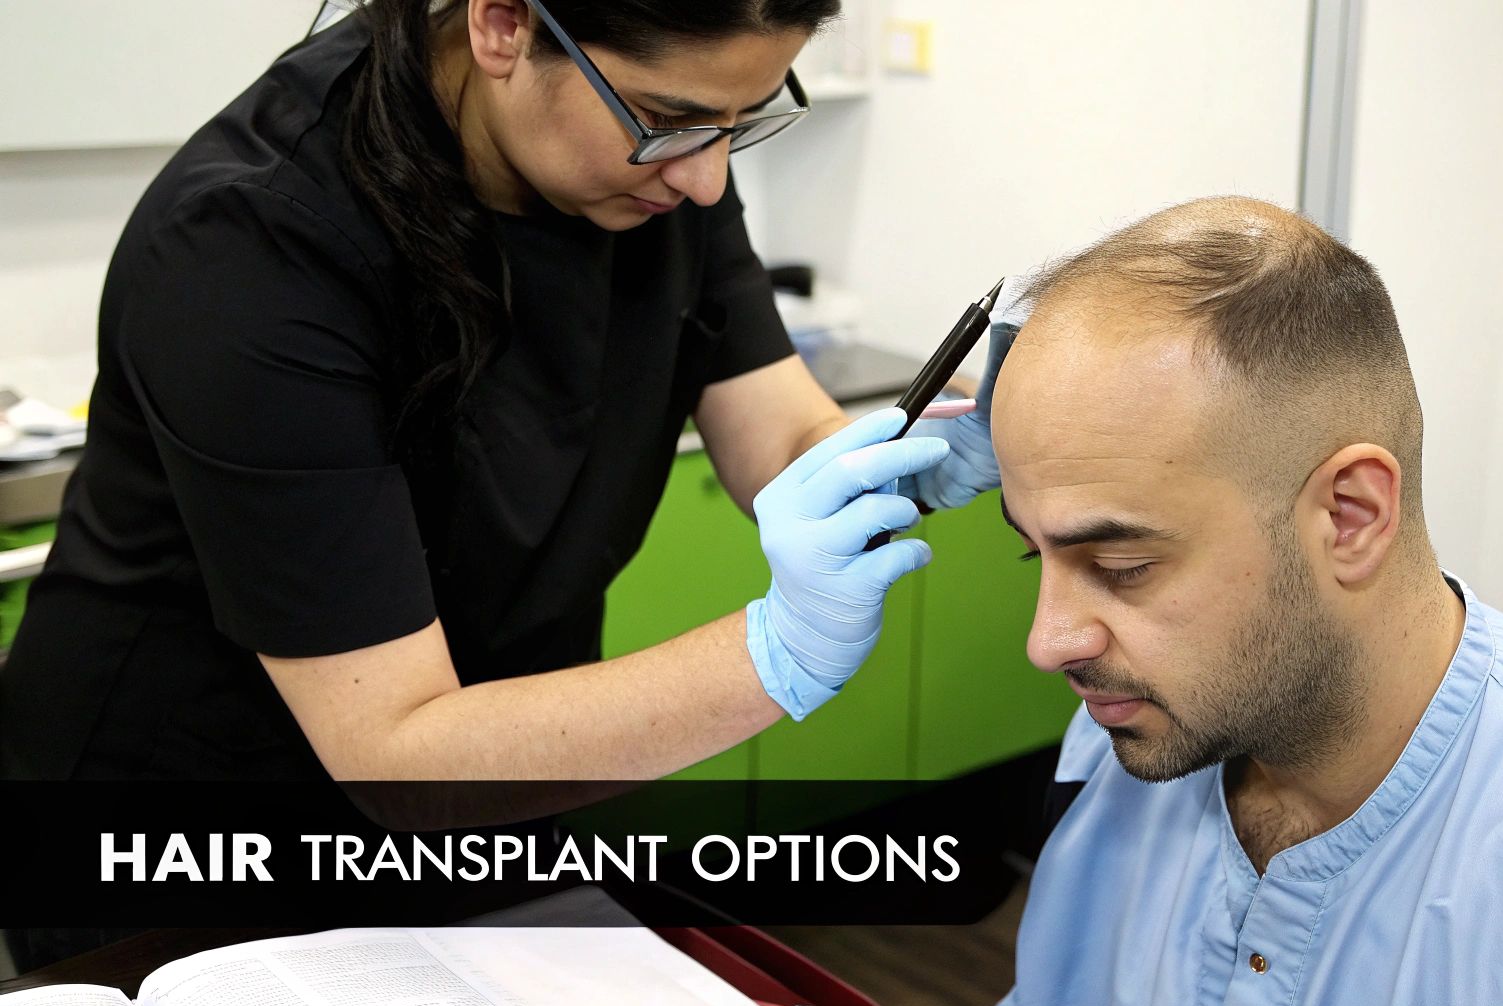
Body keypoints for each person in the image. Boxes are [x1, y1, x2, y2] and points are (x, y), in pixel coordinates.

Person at [0, 0, 1004, 780]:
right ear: (502, 22)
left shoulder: (657, 158)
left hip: (500, 753)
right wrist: (773, 654)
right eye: (671, 121)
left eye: (740, 123)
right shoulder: (254, 244)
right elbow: (395, 750)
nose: (704, 183)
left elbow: (776, 430)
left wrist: (901, 456)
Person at [987, 197, 1503, 1006]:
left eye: (1123, 566)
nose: (1049, 640)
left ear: (1350, 516)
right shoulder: (1126, 735)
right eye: (1035, 551)